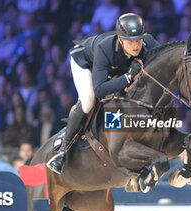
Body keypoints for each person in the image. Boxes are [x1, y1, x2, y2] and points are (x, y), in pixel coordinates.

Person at [47, 13, 160, 174]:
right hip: (85, 61)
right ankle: (63, 151)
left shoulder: (148, 42)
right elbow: (100, 88)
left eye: (139, 39)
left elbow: (165, 57)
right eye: (130, 41)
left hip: (115, 67)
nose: (136, 45)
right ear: (120, 40)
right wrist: (128, 77)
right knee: (88, 100)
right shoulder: (104, 48)